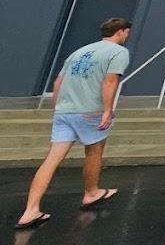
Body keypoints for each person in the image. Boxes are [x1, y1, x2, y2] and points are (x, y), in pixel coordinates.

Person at [14, 17, 132, 230]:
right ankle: (92, 192)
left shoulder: (78, 52)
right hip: (90, 110)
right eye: (126, 32)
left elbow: (58, 82)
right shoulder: (118, 52)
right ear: (120, 32)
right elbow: (110, 80)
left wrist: (57, 108)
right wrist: (107, 110)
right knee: (94, 151)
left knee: (51, 160)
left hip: (64, 111)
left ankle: (30, 210)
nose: (127, 35)